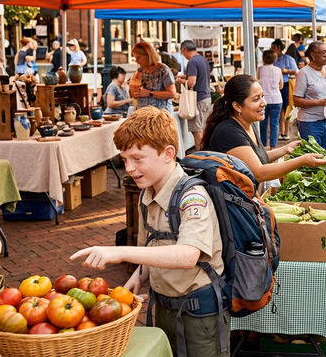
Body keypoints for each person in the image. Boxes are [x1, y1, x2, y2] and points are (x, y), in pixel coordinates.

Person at [70, 107, 229, 357]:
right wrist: (139, 275)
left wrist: (120, 253)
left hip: (199, 312)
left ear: (168, 154)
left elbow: (188, 256)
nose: (129, 168)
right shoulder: (147, 193)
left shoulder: (192, 197)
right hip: (165, 305)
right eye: (124, 160)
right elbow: (152, 246)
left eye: (137, 158)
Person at [201, 75, 326, 188]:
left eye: (262, 96)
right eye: (256, 99)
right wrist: (302, 161)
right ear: (237, 106)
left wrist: (285, 149)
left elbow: (259, 158)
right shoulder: (229, 132)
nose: (264, 103)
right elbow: (259, 173)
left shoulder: (248, 123)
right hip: (232, 206)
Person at [293, 41, 326, 152]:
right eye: (323, 52)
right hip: (310, 123)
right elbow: (296, 101)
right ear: (313, 55)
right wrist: (318, 102)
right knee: (312, 158)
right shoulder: (304, 73)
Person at [175, 40, 212, 147]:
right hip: (206, 97)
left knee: (197, 131)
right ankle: (206, 153)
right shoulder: (203, 59)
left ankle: (201, 157)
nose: (182, 54)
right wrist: (185, 77)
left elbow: (191, 83)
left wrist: (180, 81)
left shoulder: (192, 62)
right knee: (203, 129)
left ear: (184, 49)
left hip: (198, 99)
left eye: (182, 52)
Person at [129, 42, 177, 112]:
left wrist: (149, 93)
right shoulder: (140, 71)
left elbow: (171, 93)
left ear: (148, 55)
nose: (136, 61)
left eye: (138, 57)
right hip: (143, 114)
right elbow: (135, 95)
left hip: (161, 115)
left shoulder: (163, 70)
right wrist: (132, 85)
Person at [257, 49, 283, 150]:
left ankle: (263, 145)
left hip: (263, 100)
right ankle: (273, 146)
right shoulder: (278, 70)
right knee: (274, 123)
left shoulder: (260, 69)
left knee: (263, 123)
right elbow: (281, 86)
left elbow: (257, 83)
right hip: (276, 99)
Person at [273, 39, 298, 140]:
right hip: (276, 85)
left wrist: (286, 71)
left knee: (287, 107)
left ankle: (286, 132)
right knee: (280, 109)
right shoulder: (273, 59)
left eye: (273, 47)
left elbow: (296, 71)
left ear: (279, 48)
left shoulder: (287, 58)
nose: (272, 49)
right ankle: (281, 132)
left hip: (286, 84)